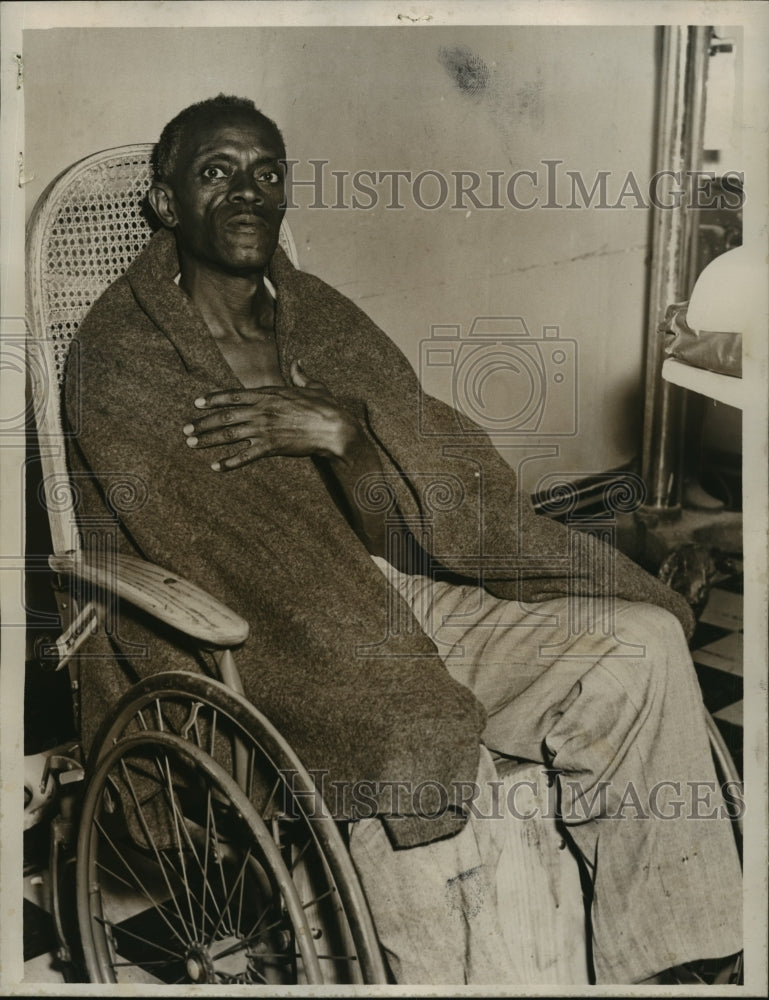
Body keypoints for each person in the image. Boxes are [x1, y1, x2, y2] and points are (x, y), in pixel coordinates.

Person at [65, 94, 742, 985]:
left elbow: (416, 517)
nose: (247, 192)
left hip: (399, 586)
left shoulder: (319, 317)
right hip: (279, 635)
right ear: (164, 203)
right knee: (414, 725)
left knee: (642, 643)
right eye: (215, 172)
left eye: (266, 171)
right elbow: (201, 551)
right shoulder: (122, 358)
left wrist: (343, 432)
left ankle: (669, 958)